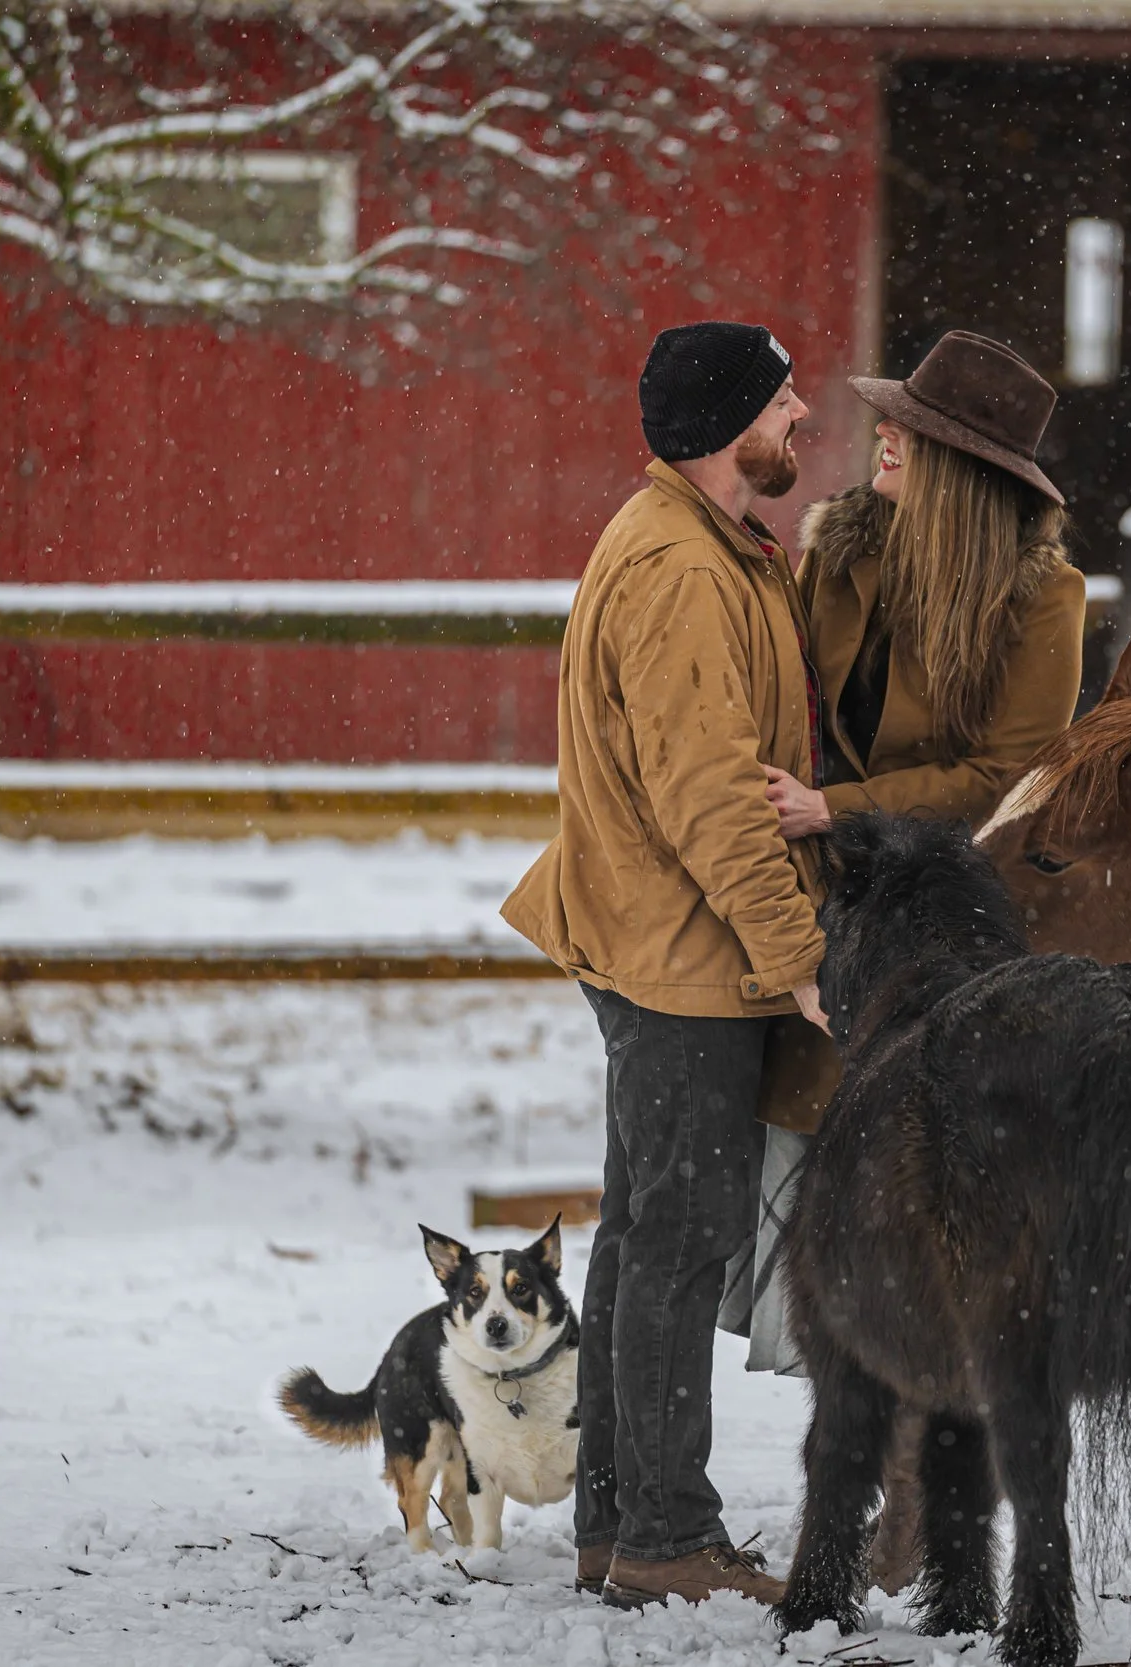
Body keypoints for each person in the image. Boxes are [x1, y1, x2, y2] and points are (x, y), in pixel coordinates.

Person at [724, 329, 1087, 1592]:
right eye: (891, 420)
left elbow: (1007, 778)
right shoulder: (835, 549)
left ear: (968, 471)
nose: (880, 434)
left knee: (934, 1214)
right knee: (823, 1200)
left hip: (940, 926)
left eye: (911, 433)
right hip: (822, 908)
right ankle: (856, 1489)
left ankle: (925, 1525)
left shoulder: (1044, 598)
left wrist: (846, 809)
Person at [500, 320, 824, 1610]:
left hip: (660, 942)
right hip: (682, 954)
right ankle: (668, 1537)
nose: (803, 414)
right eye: (783, 396)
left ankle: (616, 1523)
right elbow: (709, 796)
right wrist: (799, 956)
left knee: (642, 1240)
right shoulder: (681, 568)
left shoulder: (703, 546)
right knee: (679, 1241)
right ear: (725, 425)